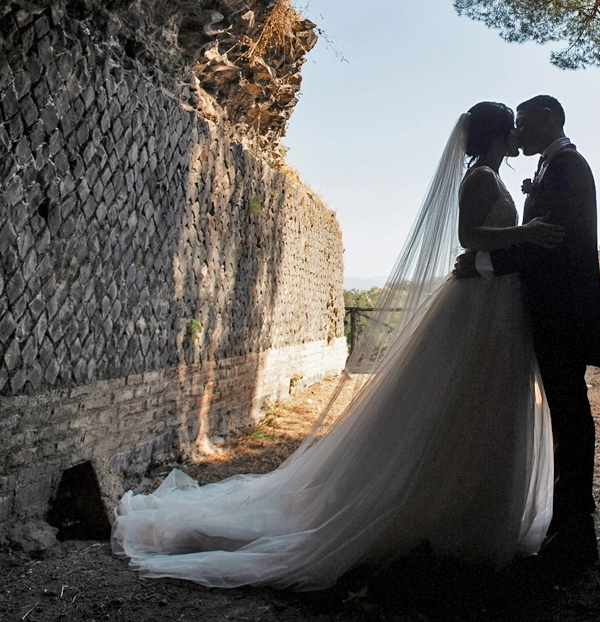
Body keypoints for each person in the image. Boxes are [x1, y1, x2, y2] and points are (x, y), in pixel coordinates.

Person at [112, 103, 561, 590]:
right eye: (511, 125)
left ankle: (472, 506)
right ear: (497, 135)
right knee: (461, 399)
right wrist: (526, 232)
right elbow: (468, 236)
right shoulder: (478, 180)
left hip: (493, 299)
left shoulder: (491, 177)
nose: (518, 132)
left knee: (481, 402)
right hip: (479, 303)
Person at [456, 95, 600, 570]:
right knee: (566, 416)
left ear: (548, 117)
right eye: (513, 126)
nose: (518, 133)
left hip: (562, 312)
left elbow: (556, 243)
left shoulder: (567, 165)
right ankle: (570, 527)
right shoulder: (550, 166)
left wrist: (486, 261)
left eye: (524, 123)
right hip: (547, 310)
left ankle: (575, 533)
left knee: (570, 416)